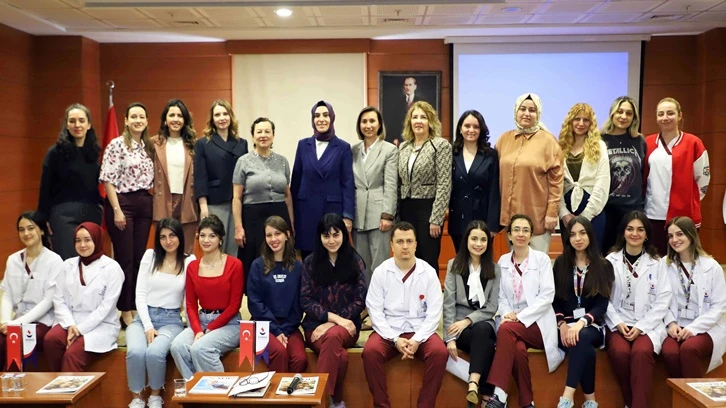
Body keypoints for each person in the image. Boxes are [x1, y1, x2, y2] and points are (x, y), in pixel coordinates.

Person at [363, 222, 448, 408]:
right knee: (370, 352)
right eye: (400, 241)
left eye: (409, 241)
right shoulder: (381, 272)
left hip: (419, 330)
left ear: (416, 244)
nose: (405, 246)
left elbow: (434, 313)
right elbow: (374, 311)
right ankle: (381, 405)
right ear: (392, 245)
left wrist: (417, 339)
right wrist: (394, 339)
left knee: (440, 352)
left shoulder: (429, 272)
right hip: (389, 331)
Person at [484, 214, 564, 408]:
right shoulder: (503, 261)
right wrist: (507, 314)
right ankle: (528, 402)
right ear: (509, 235)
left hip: (538, 325)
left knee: (506, 330)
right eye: (516, 230)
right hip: (513, 325)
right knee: (518, 349)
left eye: (525, 230)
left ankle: (499, 394)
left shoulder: (542, 259)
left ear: (531, 235)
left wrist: (518, 317)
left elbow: (547, 297)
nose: (521, 234)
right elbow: (501, 297)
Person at [604, 211, 671, 408]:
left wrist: (642, 326)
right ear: (623, 232)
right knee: (619, 353)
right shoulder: (610, 260)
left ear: (647, 234)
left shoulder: (657, 263)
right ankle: (630, 401)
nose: (635, 234)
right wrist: (618, 322)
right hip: (619, 322)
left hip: (647, 324)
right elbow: (603, 298)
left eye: (640, 230)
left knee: (641, 353)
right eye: (630, 229)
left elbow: (663, 299)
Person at [125, 218, 195, 408]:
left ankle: (155, 396)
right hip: (143, 318)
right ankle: (137, 398)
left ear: (180, 236)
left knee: (155, 352)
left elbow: (189, 299)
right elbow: (140, 294)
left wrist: (193, 330)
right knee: (135, 351)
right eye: (163, 237)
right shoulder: (150, 256)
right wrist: (148, 326)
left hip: (170, 320)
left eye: (172, 235)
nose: (168, 241)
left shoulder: (189, 261)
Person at [301, 214, 366, 408]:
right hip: (315, 327)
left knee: (333, 336)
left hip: (348, 327)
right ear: (319, 237)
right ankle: (335, 402)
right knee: (341, 357)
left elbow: (360, 300)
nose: (331, 241)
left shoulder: (355, 261)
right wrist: (333, 320)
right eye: (326, 236)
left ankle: (319, 401)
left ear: (344, 235)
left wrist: (332, 323)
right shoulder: (310, 262)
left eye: (336, 235)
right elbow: (305, 300)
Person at [100, 102, 154, 327]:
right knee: (125, 259)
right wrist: (117, 210)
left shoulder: (148, 147)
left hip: (145, 204)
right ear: (126, 120)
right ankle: (124, 309)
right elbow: (108, 180)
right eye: (134, 116)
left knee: (140, 259)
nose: (138, 120)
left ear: (147, 121)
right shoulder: (117, 145)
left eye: (142, 117)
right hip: (122, 203)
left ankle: (135, 305)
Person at [170, 214, 243, 380]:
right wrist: (198, 330)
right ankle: (195, 387)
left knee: (200, 348)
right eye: (202, 235)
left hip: (230, 323)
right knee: (177, 346)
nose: (206, 240)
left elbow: (234, 305)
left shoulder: (235, 265)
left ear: (220, 239)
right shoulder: (192, 266)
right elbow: (190, 304)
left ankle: (217, 392)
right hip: (201, 321)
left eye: (212, 236)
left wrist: (210, 329)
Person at [44, 222, 124, 371]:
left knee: (72, 355)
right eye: (78, 240)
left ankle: (68, 386)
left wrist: (80, 329)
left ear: (97, 240)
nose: (82, 245)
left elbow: (106, 307)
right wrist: (70, 325)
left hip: (100, 325)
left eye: (87, 240)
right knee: (51, 340)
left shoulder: (112, 268)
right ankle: (54, 382)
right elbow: (58, 299)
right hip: (70, 321)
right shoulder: (67, 265)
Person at [552, 216, 614, 408]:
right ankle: (590, 401)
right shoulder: (561, 263)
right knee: (586, 350)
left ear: (590, 235)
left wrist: (581, 323)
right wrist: (562, 324)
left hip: (591, 326)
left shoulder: (603, 265)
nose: (578, 238)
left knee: (583, 336)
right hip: (565, 328)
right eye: (573, 234)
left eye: (582, 233)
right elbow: (555, 301)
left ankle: (567, 397)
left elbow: (602, 305)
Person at [496, 93, 563, 254]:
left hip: (537, 218)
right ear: (516, 111)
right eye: (522, 109)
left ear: (538, 114)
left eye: (532, 110)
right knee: (514, 263)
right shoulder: (504, 139)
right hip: (510, 219)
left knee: (537, 264)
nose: (526, 113)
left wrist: (552, 213)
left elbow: (556, 181)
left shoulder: (548, 141)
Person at [443, 220, 500, 406]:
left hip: (482, 322)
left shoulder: (495, 269)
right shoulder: (453, 265)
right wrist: (450, 339)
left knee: (482, 329)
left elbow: (491, 307)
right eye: (474, 239)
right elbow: (448, 303)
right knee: (488, 345)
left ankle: (473, 384)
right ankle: (485, 396)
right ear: (466, 240)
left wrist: (467, 321)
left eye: (483, 240)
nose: (478, 244)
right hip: (457, 328)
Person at [661, 216, 726, 378]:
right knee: (669, 352)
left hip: (706, 328)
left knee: (689, 349)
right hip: (675, 326)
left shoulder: (712, 267)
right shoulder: (663, 265)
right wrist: (671, 323)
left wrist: (693, 328)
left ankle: (692, 394)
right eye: (670, 236)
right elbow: (659, 300)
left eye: (679, 234)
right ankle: (681, 392)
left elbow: (719, 307)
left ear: (691, 235)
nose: (674, 240)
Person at [233, 117, 294, 287]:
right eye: (259, 132)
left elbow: (287, 195)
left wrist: (291, 224)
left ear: (273, 135)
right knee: (255, 261)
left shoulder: (282, 161)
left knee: (281, 258)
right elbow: (236, 197)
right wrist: (238, 227)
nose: (263, 135)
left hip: (279, 215)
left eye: (267, 131)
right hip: (253, 218)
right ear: (253, 136)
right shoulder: (243, 162)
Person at [644, 97, 710, 255]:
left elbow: (703, 179)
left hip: (683, 216)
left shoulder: (693, 143)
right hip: (652, 213)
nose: (665, 117)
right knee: (655, 258)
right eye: (661, 114)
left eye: (670, 113)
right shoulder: (648, 142)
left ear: (680, 116)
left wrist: (688, 201)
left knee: (683, 258)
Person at [38, 103, 103, 260]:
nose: (77, 125)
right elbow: (45, 187)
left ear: (88, 125)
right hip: (63, 215)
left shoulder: (96, 153)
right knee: (68, 260)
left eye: (81, 120)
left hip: (92, 212)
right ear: (66, 125)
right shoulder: (55, 153)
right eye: (72, 121)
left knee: (91, 261)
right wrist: (41, 218)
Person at [291, 101, 355, 259]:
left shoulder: (343, 147)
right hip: (306, 212)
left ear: (332, 118)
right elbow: (296, 181)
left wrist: (347, 216)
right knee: (308, 258)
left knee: (332, 258)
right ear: (312, 119)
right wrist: (292, 216)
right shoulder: (303, 145)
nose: (321, 119)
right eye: (317, 115)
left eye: (326, 115)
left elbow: (347, 184)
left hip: (332, 210)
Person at [0, 211, 63, 370]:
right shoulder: (13, 260)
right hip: (16, 320)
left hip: (42, 321)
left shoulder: (54, 261)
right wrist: (5, 321)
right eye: (22, 230)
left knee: (16, 339)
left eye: (31, 228)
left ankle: (15, 383)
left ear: (41, 230)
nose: (26, 233)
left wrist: (16, 324)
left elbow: (48, 302)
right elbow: (7, 294)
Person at [247, 216, 306, 373]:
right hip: (261, 325)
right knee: (279, 352)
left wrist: (285, 330)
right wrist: (276, 330)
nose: (273, 239)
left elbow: (300, 304)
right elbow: (254, 303)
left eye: (277, 234)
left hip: (289, 326)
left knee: (300, 358)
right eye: (269, 235)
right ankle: (276, 389)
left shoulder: (298, 267)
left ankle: (291, 389)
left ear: (287, 235)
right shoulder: (257, 266)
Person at [398, 101, 452, 272]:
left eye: (423, 117)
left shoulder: (440, 145)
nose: (418, 121)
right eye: (415, 117)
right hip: (406, 208)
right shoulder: (404, 147)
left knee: (427, 260)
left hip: (428, 209)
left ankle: (429, 291)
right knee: (408, 257)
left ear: (431, 121)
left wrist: (436, 218)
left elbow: (444, 183)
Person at [195, 100, 248, 256]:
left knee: (235, 247)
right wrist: (203, 206)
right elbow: (200, 177)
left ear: (231, 116)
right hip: (215, 202)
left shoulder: (242, 143)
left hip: (238, 202)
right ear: (212, 119)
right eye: (217, 115)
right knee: (215, 246)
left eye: (225, 114)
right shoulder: (203, 143)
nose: (222, 118)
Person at [351, 106, 398, 284]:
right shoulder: (353, 150)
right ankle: (363, 299)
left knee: (380, 265)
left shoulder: (389, 150)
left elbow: (391, 184)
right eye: (364, 121)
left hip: (380, 215)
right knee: (360, 265)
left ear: (379, 125)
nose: (368, 125)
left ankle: (382, 298)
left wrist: (387, 214)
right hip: (358, 212)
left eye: (372, 121)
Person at [558, 103, 610, 248]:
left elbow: (602, 182)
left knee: (592, 255)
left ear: (591, 123)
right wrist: (563, 213)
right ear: (570, 121)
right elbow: (555, 182)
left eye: (586, 120)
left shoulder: (599, 146)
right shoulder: (560, 146)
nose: (581, 123)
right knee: (570, 255)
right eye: (577, 119)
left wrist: (586, 215)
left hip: (593, 209)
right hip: (568, 210)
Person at [151, 99, 199, 254]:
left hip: (187, 200)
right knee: (164, 247)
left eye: (180, 115)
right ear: (165, 119)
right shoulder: (154, 143)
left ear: (185, 120)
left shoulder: (194, 144)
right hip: (163, 198)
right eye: (172, 115)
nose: (176, 119)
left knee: (186, 250)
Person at [600, 96, 646, 254]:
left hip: (633, 209)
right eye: (619, 112)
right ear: (612, 114)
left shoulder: (639, 141)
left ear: (634, 118)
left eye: (629, 113)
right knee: (606, 255)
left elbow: (643, 173)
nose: (623, 116)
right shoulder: (600, 140)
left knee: (632, 253)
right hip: (607, 209)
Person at [449, 110, 500, 251]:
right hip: (458, 218)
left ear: (481, 130)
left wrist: (492, 224)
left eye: (476, 127)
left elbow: (494, 191)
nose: (471, 130)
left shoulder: (490, 155)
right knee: (461, 259)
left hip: (482, 218)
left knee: (481, 259)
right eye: (467, 126)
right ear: (460, 129)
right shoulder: (452, 153)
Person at [385, 76, 425, 146]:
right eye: (406, 85)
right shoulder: (396, 102)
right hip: (400, 140)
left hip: (418, 138)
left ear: (415, 87)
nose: (408, 87)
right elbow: (393, 122)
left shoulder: (422, 102)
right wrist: (394, 138)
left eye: (410, 85)